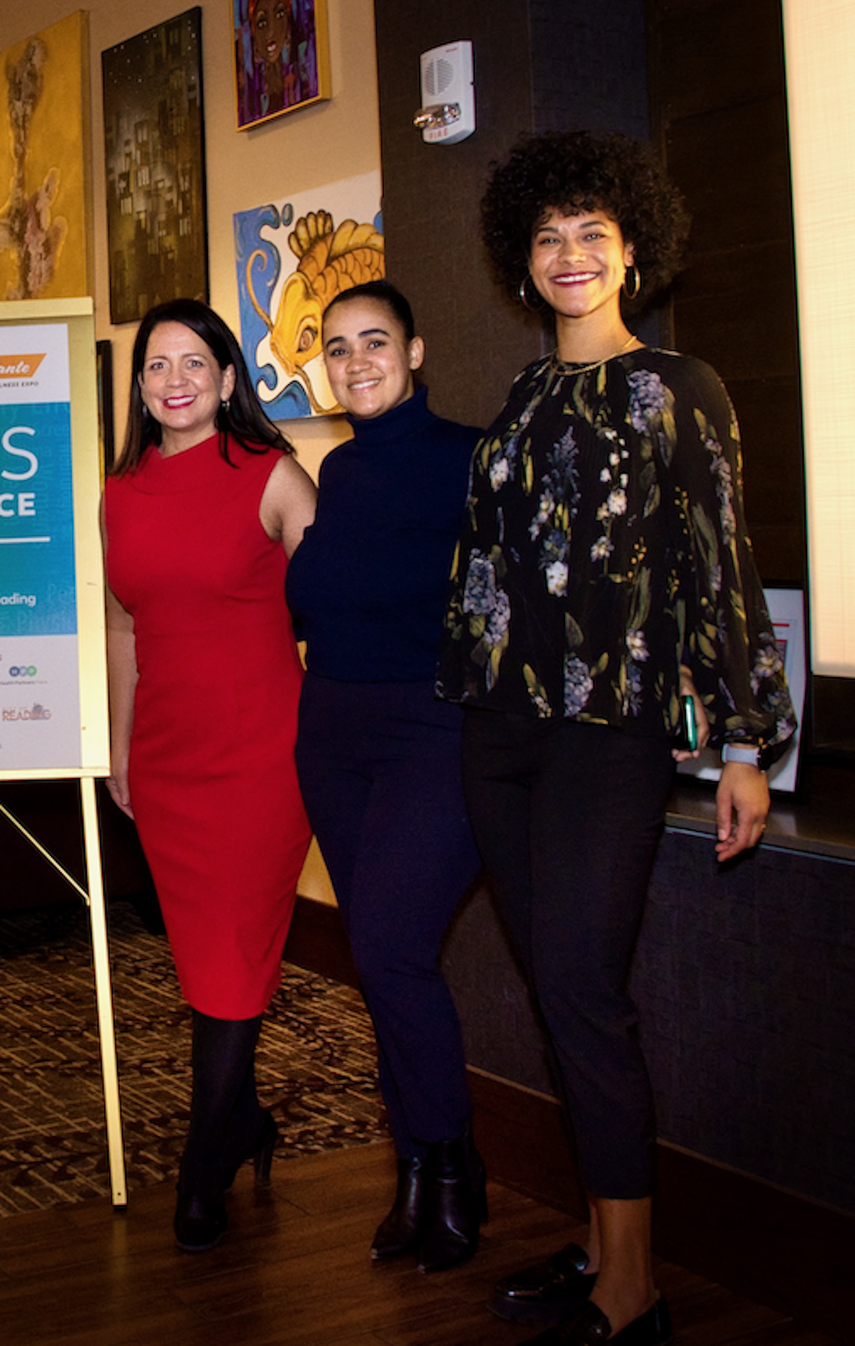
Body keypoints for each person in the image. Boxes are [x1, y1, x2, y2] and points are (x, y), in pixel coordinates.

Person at [436, 131, 796, 1345]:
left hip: (608, 735)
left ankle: (635, 1284)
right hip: (501, 734)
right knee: (559, 990)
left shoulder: (681, 388)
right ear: (524, 262)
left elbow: (722, 566)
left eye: (593, 233)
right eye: (549, 237)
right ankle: (600, 1241)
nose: (570, 254)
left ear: (633, 250)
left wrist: (745, 739)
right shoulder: (530, 394)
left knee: (586, 990)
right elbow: (488, 570)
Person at [102, 298, 316, 1252]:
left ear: (230, 380)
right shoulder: (121, 491)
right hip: (167, 761)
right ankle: (245, 1119)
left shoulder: (273, 476)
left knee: (230, 963)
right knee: (205, 964)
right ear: (140, 386)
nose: (174, 379)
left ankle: (202, 1163)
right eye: (157, 365)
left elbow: (340, 603)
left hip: (263, 756)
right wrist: (118, 746)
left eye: (194, 362)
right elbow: (119, 626)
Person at [286, 280, 486, 1273]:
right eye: (337, 346)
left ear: (416, 350)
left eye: (376, 341)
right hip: (332, 734)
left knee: (393, 946)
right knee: (379, 954)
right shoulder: (344, 470)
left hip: (431, 734)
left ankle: (450, 1171)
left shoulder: (471, 458)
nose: (355, 359)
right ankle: (414, 1166)